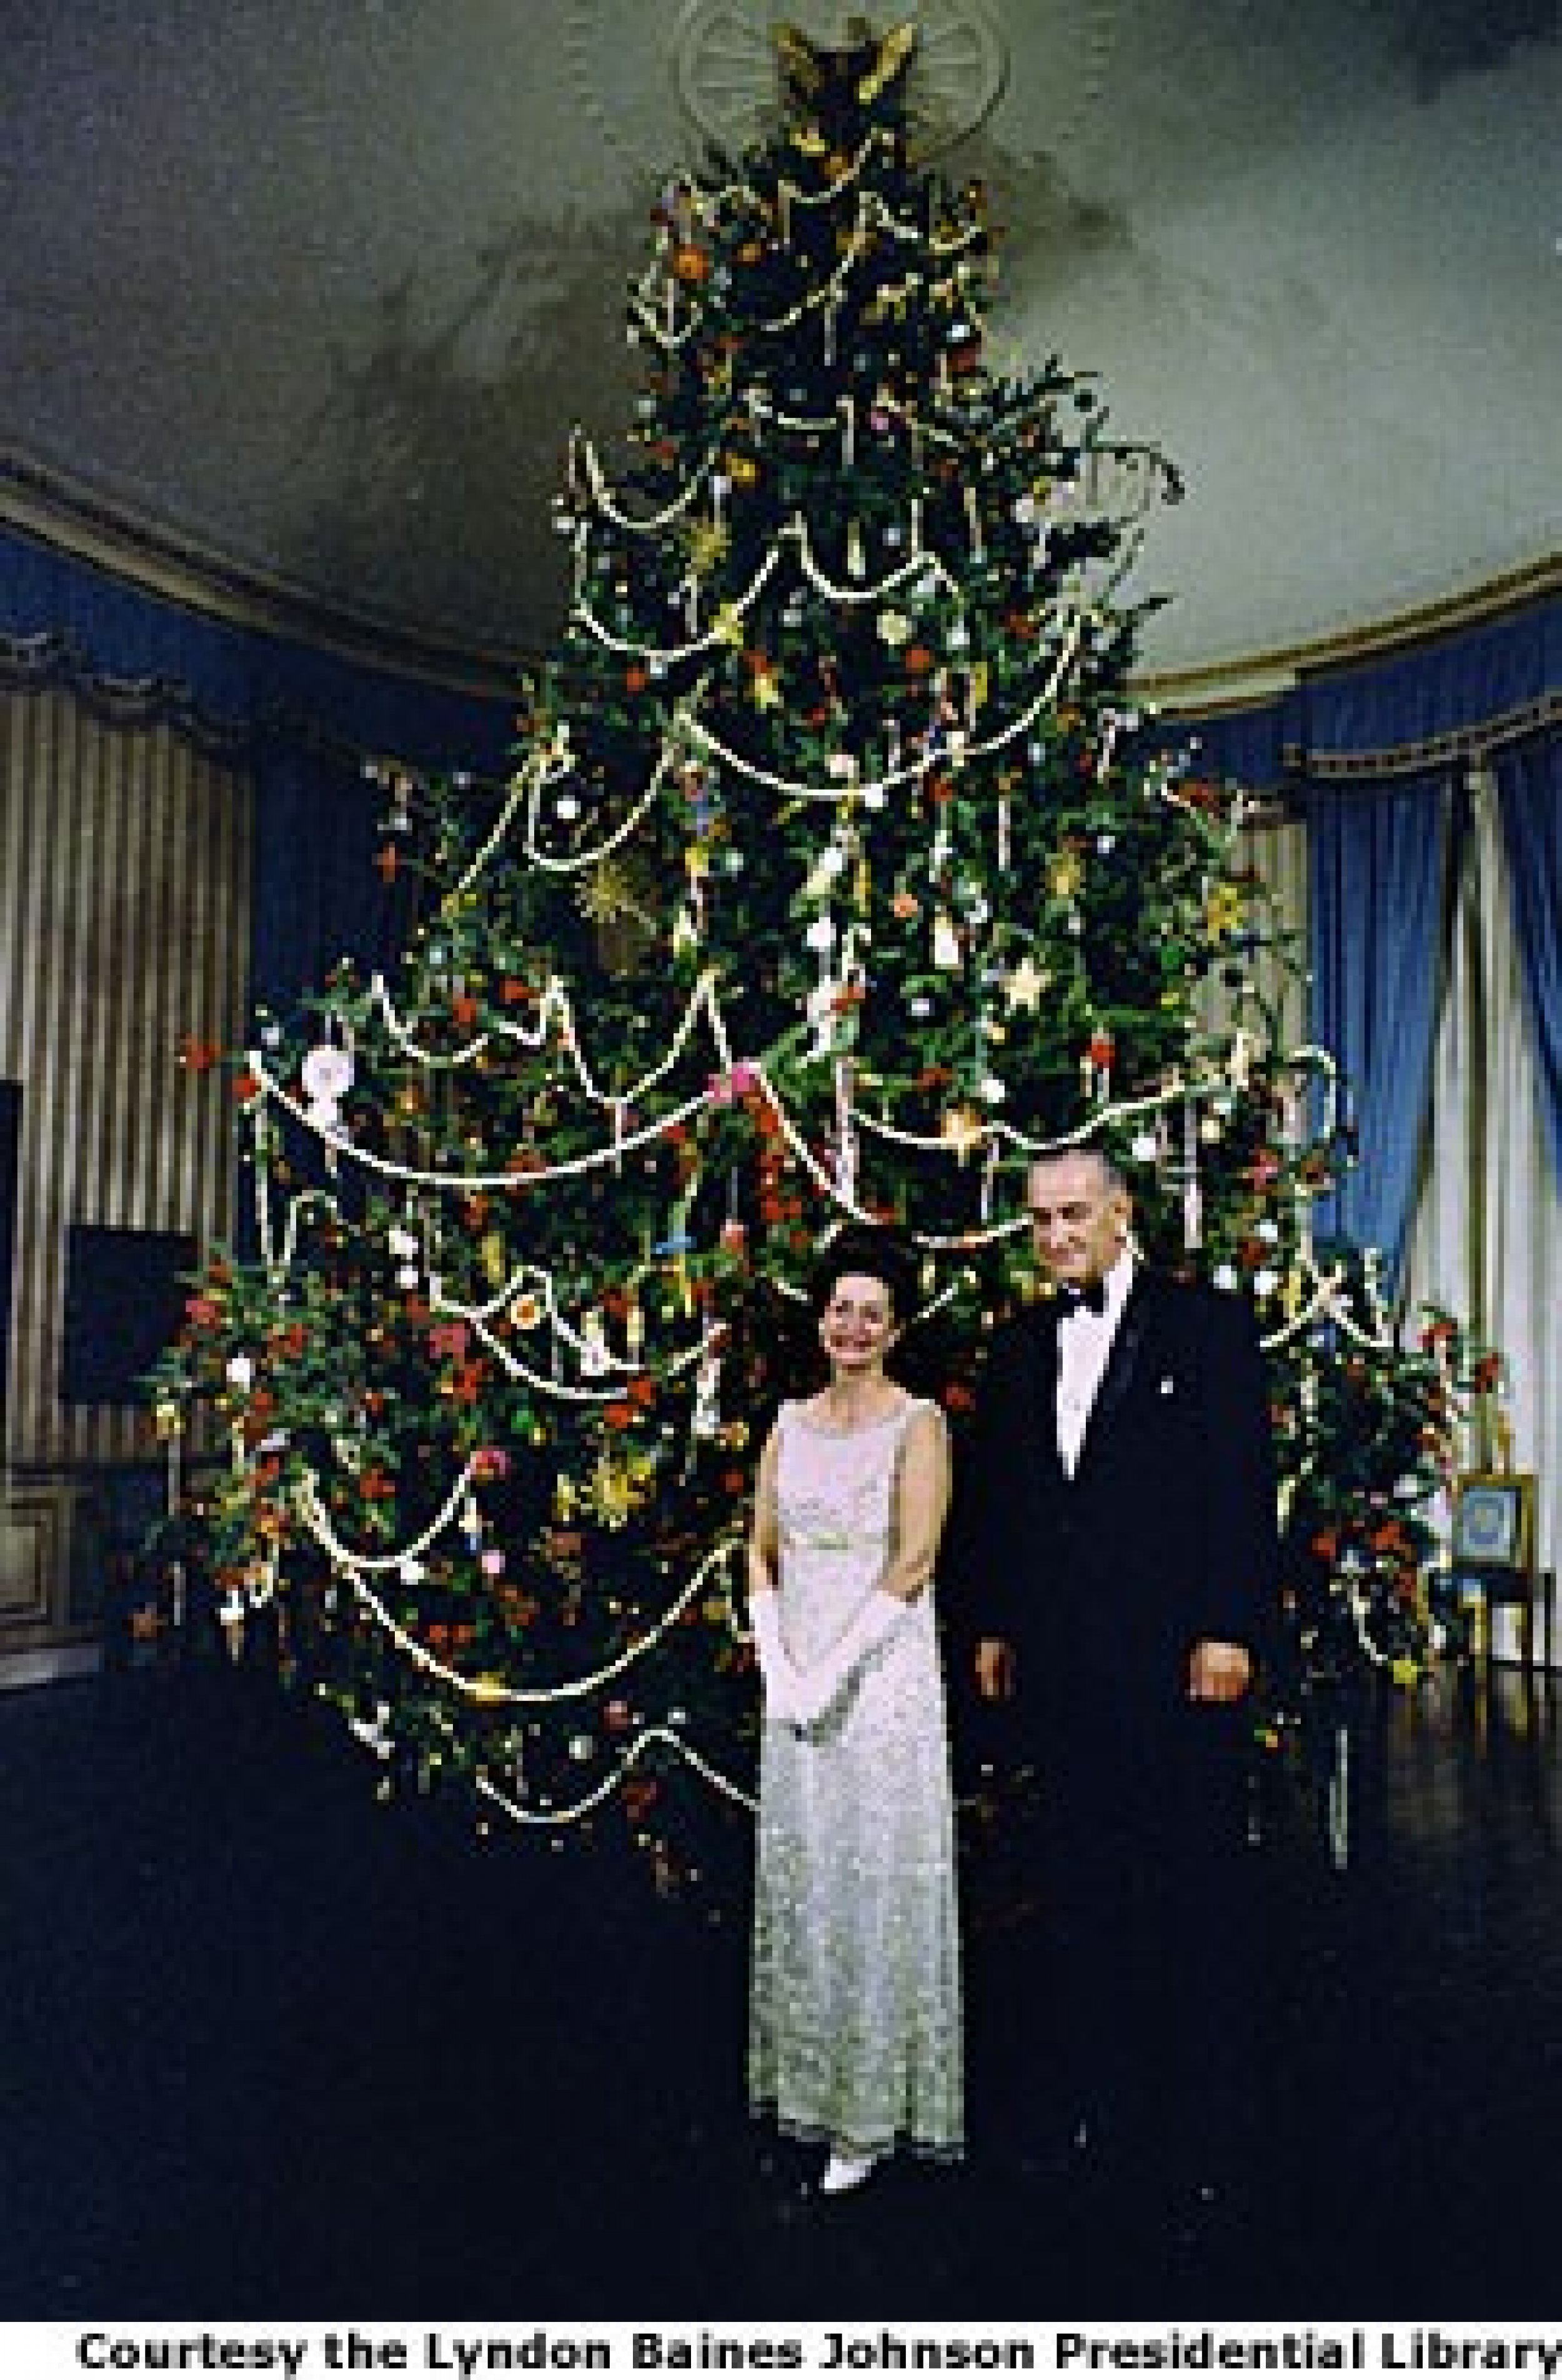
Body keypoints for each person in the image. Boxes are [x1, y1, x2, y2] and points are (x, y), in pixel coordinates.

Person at [955, 1141, 1278, 2218]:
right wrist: (997, 1621)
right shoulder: (1018, 1344)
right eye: (1041, 1218)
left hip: (1179, 1665)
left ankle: (1199, 2125)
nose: (1057, 1235)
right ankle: (1089, 2104)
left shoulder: (1210, 1327)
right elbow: (1005, 1496)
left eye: (1076, 1214)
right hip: (1063, 1668)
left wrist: (1228, 1628)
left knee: (1187, 1890)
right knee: (1078, 1888)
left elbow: (1240, 1487)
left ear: (1123, 1212)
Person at [746, 1230, 963, 2195]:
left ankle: (869, 2116)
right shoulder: (788, 1422)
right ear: (821, 1315)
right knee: (809, 1877)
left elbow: (914, 1562)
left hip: (877, 1684)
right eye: (841, 1308)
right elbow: (758, 1547)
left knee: (872, 1887)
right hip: (795, 1685)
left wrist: (829, 1670)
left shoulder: (918, 1424)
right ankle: (808, 2083)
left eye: (872, 1312)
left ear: (896, 1326)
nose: (853, 1327)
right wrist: (776, 1663)